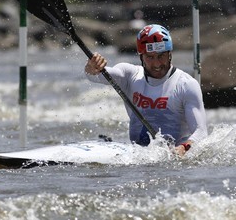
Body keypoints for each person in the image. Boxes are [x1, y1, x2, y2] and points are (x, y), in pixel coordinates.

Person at [85, 24, 208, 156]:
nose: (157, 64)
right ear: (141, 56)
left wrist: (184, 148)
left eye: (161, 56)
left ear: (169, 53)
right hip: (138, 155)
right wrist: (92, 68)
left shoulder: (186, 85)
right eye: (150, 57)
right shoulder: (129, 75)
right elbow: (97, 76)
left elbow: (201, 132)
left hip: (174, 158)